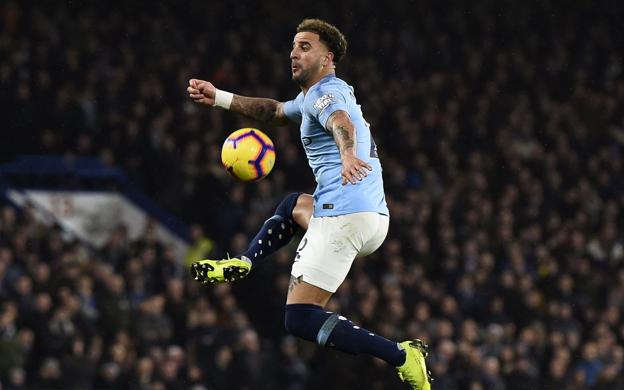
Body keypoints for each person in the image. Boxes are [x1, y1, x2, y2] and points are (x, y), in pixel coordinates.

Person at [187, 18, 431, 389]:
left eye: (305, 47)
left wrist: (347, 154)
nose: (293, 54)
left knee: (299, 318)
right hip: (370, 217)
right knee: (293, 204)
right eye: (293, 46)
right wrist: (219, 97)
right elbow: (273, 113)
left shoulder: (325, 95)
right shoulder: (312, 96)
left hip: (344, 213)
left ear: (327, 57)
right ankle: (245, 260)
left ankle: (402, 355)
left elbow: (340, 122)